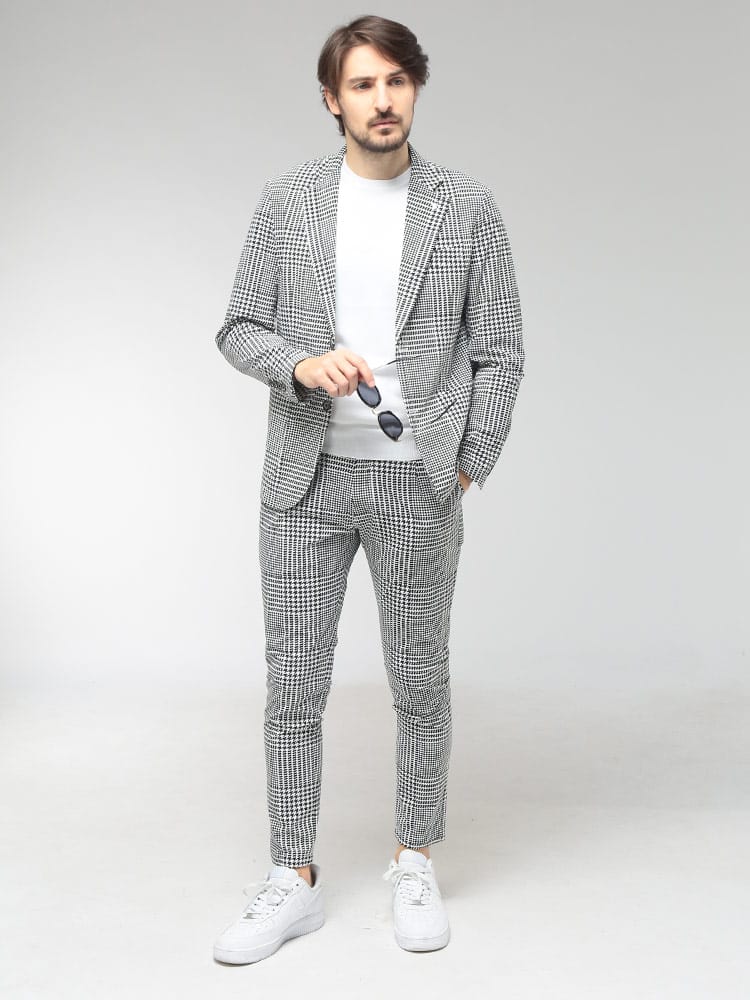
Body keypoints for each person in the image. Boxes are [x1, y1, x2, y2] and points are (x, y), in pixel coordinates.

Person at [212, 14, 524, 965]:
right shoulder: (288, 202)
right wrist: (300, 364)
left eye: (396, 81)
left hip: (418, 483)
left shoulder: (466, 208)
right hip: (305, 479)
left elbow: (501, 350)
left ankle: (414, 858)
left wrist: (465, 463)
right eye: (362, 84)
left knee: (420, 679)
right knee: (293, 685)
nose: (382, 100)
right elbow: (238, 327)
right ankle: (292, 876)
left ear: (414, 88)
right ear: (331, 100)